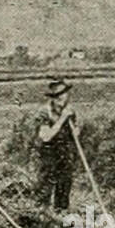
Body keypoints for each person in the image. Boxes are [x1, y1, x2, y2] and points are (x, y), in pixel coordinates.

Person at [34, 78, 80, 210]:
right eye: (56, 95)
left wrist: (76, 131)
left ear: (67, 95)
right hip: (48, 154)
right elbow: (46, 136)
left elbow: (74, 132)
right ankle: (40, 215)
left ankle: (61, 214)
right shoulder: (44, 112)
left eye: (63, 94)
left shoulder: (70, 112)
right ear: (52, 97)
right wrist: (62, 118)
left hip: (65, 153)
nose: (60, 98)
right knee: (46, 185)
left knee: (64, 185)